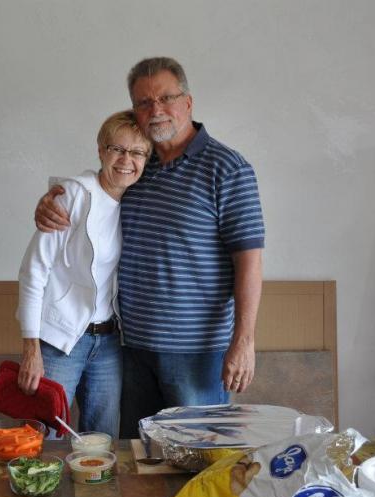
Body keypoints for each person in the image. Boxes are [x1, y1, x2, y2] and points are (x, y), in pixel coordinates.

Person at [35, 57, 265, 438]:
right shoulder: (137, 165)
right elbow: (88, 199)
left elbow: (250, 263)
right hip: (132, 348)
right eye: (143, 102)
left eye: (166, 98)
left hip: (198, 355)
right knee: (139, 458)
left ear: (188, 102)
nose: (155, 110)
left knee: (197, 454)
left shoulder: (228, 168)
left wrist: (244, 342)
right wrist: (50, 204)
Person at [17, 110, 151, 438]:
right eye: (117, 149)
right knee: (45, 438)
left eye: (137, 152)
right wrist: (31, 348)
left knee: (101, 443)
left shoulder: (137, 202)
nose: (126, 160)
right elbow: (34, 271)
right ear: (101, 150)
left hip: (108, 341)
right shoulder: (74, 194)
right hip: (61, 339)